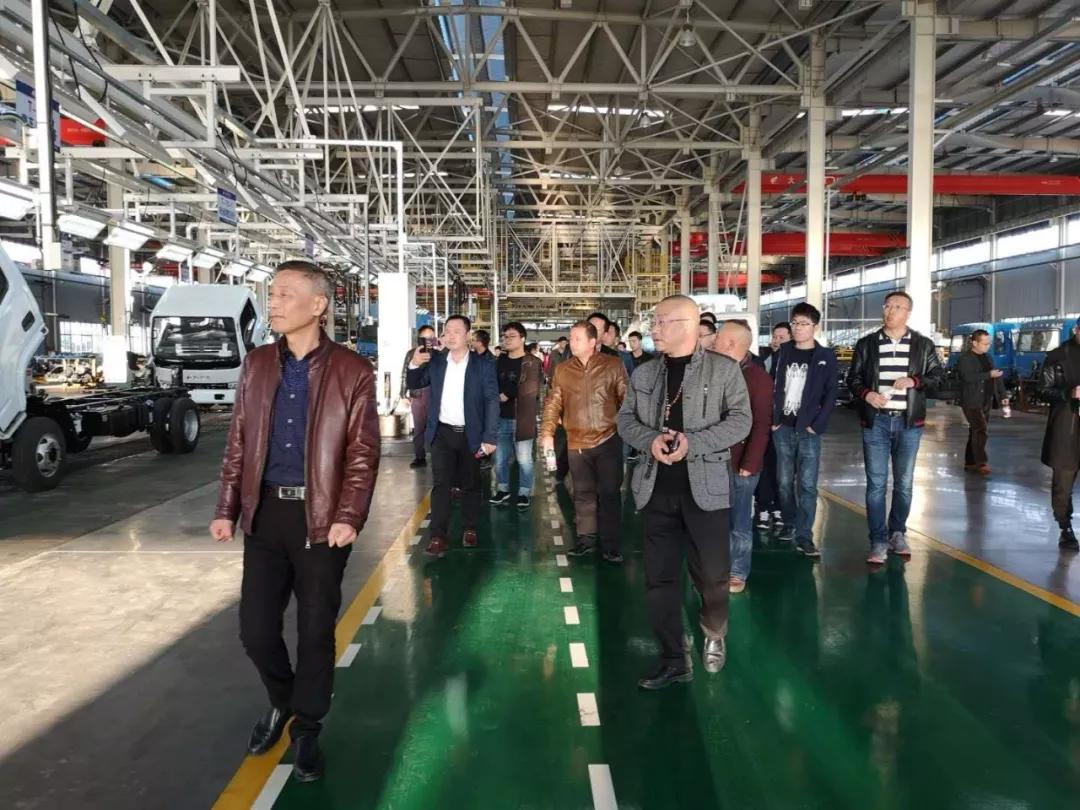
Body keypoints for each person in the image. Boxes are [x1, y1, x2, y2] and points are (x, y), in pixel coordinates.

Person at [209, 260, 380, 784]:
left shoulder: (352, 370)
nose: (274, 302)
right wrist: (227, 507)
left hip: (321, 518)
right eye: (273, 293)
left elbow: (363, 452)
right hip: (265, 515)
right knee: (255, 630)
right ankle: (283, 699)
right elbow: (239, 440)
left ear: (318, 305)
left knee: (314, 631)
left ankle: (307, 728)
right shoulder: (258, 364)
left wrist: (349, 515)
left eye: (285, 293)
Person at [617, 295, 751, 688]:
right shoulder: (644, 373)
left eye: (662, 322)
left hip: (705, 491)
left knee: (712, 576)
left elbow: (741, 421)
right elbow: (625, 420)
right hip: (654, 490)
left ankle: (713, 630)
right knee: (659, 580)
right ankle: (674, 658)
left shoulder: (724, 370)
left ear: (687, 326)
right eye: (654, 322)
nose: (653, 329)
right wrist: (650, 440)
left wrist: (694, 443)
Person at [847, 290, 945, 565]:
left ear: (907, 313)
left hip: (908, 423)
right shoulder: (867, 344)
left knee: (904, 483)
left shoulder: (923, 345)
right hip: (876, 422)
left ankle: (897, 533)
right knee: (876, 484)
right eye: (887, 306)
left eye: (897, 307)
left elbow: (939, 377)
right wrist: (867, 394)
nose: (889, 311)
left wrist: (915, 381)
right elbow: (853, 379)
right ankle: (878, 540)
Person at [407, 315, 499, 558]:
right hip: (442, 433)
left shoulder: (483, 365)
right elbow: (415, 383)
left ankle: (469, 528)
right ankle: (438, 535)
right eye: (447, 331)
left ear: (468, 335)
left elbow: (491, 400)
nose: (450, 335)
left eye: (456, 331)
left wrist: (490, 437)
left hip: (471, 434)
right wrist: (414, 363)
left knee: (471, 484)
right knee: (441, 485)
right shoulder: (436, 362)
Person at [539, 321, 627, 562]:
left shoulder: (613, 365)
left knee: (609, 494)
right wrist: (546, 434)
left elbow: (626, 400)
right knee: (582, 494)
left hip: (608, 439)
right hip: (576, 442)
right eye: (571, 337)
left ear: (592, 342)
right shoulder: (563, 370)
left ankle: (610, 545)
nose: (572, 342)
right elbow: (553, 403)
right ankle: (585, 539)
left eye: (577, 338)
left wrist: (630, 433)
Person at [771, 302, 839, 557]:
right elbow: (773, 384)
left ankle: (804, 535)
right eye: (795, 323)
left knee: (808, 485)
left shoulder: (825, 356)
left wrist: (817, 424)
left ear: (815, 327)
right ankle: (789, 523)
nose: (798, 328)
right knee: (784, 481)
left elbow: (831, 392)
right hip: (783, 427)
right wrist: (774, 418)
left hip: (808, 430)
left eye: (804, 324)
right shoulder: (783, 351)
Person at [713, 321, 773, 593]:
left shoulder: (757, 378)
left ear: (731, 344)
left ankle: (737, 571)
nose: (714, 341)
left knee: (738, 522)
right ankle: (714, 567)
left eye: (718, 337)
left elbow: (761, 424)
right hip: (712, 459)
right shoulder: (714, 371)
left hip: (740, 463)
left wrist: (749, 463)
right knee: (713, 520)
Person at [490, 322, 543, 510]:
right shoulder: (500, 361)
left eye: (512, 336)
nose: (507, 339)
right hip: (501, 417)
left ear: (522, 339)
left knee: (524, 459)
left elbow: (531, 386)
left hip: (523, 418)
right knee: (500, 459)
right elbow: (492, 382)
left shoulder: (532, 362)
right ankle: (503, 489)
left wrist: (507, 394)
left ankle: (524, 492)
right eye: (505, 336)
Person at [1039, 320, 1080, 551]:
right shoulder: (1057, 357)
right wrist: (1068, 393)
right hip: (1067, 427)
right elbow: (1043, 390)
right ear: (1076, 330)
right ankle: (1065, 527)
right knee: (1063, 481)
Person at [956, 329, 1007, 475]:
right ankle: (980, 462)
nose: (987, 346)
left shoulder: (988, 357)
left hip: (986, 399)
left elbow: (996, 376)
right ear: (974, 343)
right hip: (971, 400)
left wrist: (1003, 394)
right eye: (984, 343)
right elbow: (968, 377)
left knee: (975, 430)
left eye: (988, 343)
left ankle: (970, 462)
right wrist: (988, 374)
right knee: (980, 429)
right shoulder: (965, 359)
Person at [756, 322, 791, 528]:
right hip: (767, 422)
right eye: (774, 337)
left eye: (781, 338)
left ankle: (779, 509)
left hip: (786, 425)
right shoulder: (765, 360)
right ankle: (763, 506)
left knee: (783, 470)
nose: (776, 341)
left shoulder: (792, 361)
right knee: (766, 466)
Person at [401, 325, 437, 469]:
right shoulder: (411, 353)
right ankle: (419, 457)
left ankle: (437, 456)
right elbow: (405, 373)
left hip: (434, 394)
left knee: (435, 427)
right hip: (418, 394)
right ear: (419, 339)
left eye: (432, 337)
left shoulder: (438, 354)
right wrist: (403, 393)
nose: (429, 340)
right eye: (426, 338)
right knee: (419, 428)